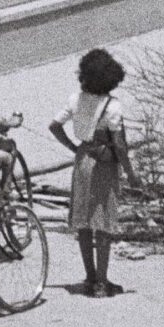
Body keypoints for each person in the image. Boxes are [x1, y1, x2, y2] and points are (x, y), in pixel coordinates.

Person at [49, 48, 138, 298]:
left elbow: (54, 126)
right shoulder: (112, 105)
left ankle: (90, 277)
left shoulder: (75, 99)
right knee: (104, 223)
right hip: (104, 165)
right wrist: (130, 173)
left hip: (82, 160)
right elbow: (119, 144)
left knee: (84, 223)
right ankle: (102, 280)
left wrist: (72, 147)